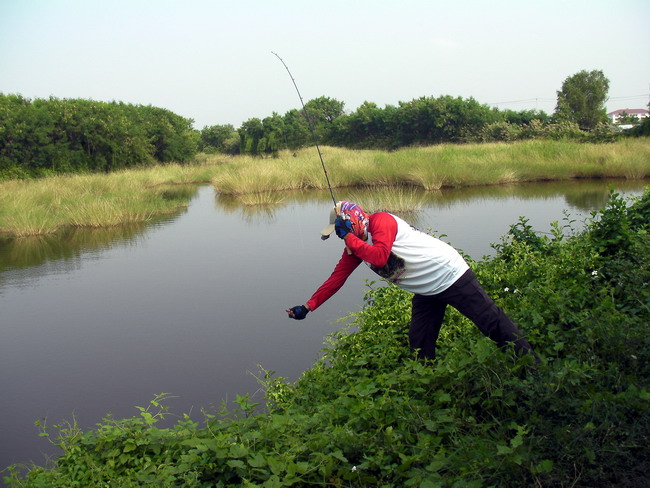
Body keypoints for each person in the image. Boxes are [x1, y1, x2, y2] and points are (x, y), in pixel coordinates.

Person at [286, 201, 539, 362]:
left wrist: (351, 240)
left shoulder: (382, 221)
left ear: (354, 223)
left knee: (490, 321)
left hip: (450, 275)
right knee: (419, 344)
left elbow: (381, 255)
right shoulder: (356, 247)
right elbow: (336, 279)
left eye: (343, 232)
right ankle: (425, 384)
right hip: (427, 291)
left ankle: (531, 365)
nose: (342, 238)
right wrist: (308, 306)